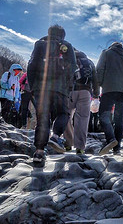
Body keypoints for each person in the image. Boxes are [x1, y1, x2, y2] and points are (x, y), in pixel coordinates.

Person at [27, 24, 77, 163]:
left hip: (40, 88)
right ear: (62, 35)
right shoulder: (67, 46)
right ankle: (55, 137)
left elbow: (31, 65)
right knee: (64, 113)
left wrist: (32, 87)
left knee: (42, 118)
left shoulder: (39, 45)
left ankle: (39, 152)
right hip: (60, 88)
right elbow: (72, 68)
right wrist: (68, 86)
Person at [96, 42, 123, 155]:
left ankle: (110, 138)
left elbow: (100, 69)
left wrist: (99, 84)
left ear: (112, 46)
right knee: (119, 120)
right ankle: (117, 148)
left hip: (108, 90)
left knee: (103, 115)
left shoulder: (106, 53)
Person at [63, 49, 100, 155]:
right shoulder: (89, 62)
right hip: (85, 91)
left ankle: (68, 143)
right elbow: (95, 79)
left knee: (66, 116)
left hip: (70, 92)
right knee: (82, 119)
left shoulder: (68, 60)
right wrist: (96, 95)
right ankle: (80, 147)